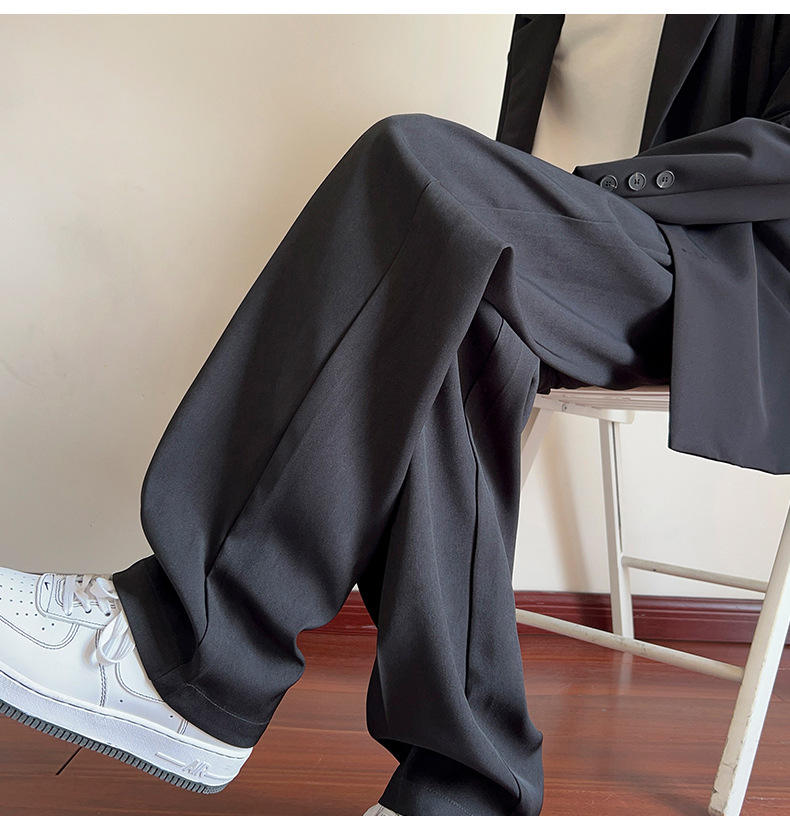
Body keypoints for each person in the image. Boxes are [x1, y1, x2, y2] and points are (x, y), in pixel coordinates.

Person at [1, 14, 789, 816]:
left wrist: (590, 197)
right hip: (570, 256)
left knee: (414, 161)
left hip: (728, 273)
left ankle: (190, 652)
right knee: (450, 306)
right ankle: (462, 793)